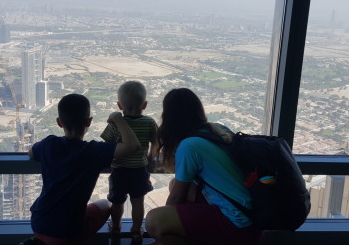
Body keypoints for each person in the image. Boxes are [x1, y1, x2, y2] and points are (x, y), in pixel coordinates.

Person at [145, 88, 263, 245]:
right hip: (253, 219)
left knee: (154, 221)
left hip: (237, 224)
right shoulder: (217, 129)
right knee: (174, 185)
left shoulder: (190, 145)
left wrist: (166, 218)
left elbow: (176, 198)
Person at [22, 93, 140, 245]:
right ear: (89, 122)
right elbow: (133, 146)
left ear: (59, 122)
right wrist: (117, 118)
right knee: (107, 204)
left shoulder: (49, 144)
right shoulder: (93, 150)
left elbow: (31, 152)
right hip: (71, 232)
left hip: (40, 223)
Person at [100, 81, 158, 243]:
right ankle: (136, 230)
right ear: (144, 105)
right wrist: (150, 158)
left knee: (117, 202)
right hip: (139, 170)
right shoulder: (149, 122)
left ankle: (117, 227)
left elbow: (107, 146)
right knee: (138, 202)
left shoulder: (116, 125)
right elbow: (156, 142)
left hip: (119, 170)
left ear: (119, 105)